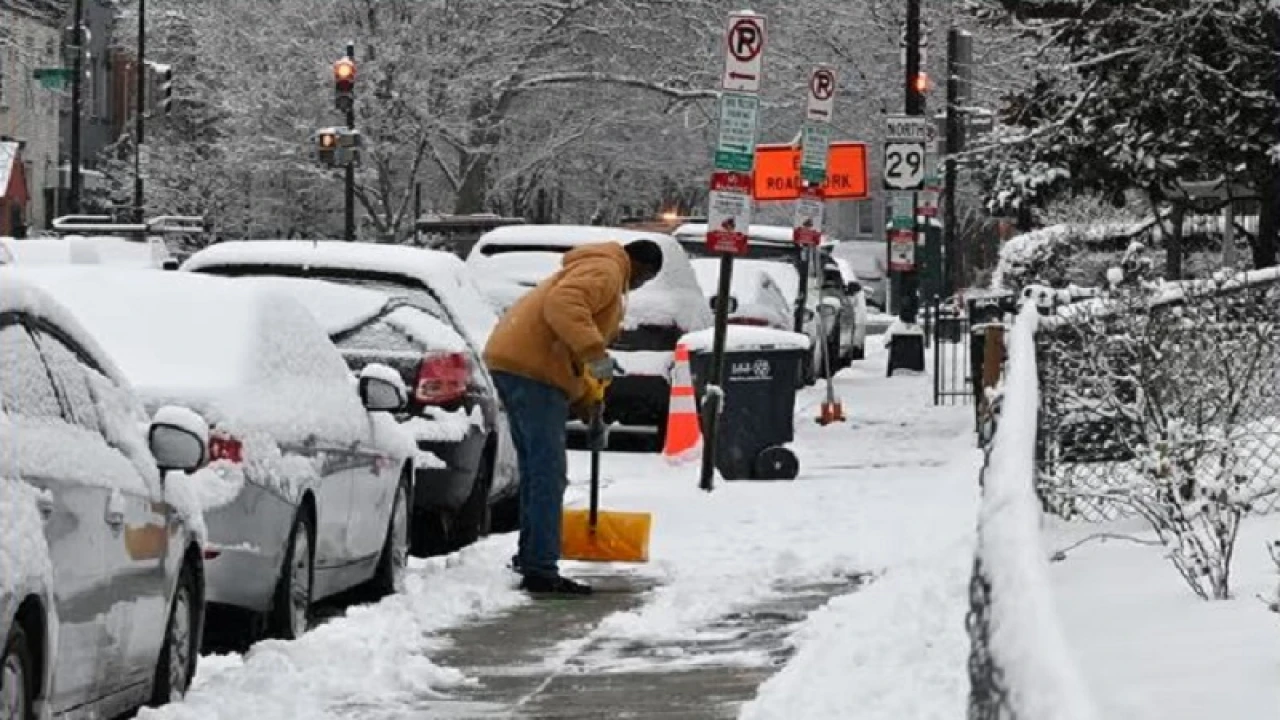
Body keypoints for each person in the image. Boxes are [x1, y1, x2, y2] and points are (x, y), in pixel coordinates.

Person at [484, 238, 663, 595]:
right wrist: (596, 355)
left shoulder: (600, 266)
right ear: (641, 267)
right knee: (548, 473)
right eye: (644, 280)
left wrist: (587, 404)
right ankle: (540, 570)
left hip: (517, 364)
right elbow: (564, 306)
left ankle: (532, 557)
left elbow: (569, 353)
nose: (638, 287)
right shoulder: (608, 269)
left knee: (537, 471)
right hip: (534, 370)